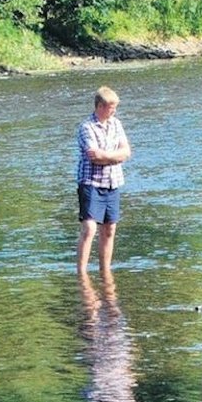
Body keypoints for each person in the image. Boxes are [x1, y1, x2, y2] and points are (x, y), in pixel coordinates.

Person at [77, 87, 132, 273]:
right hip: (91, 183)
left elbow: (126, 152)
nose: (114, 111)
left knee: (109, 229)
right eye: (111, 107)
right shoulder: (87, 127)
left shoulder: (116, 124)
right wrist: (115, 156)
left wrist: (107, 155)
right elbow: (94, 157)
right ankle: (81, 273)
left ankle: (105, 272)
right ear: (100, 106)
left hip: (112, 182)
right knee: (89, 229)